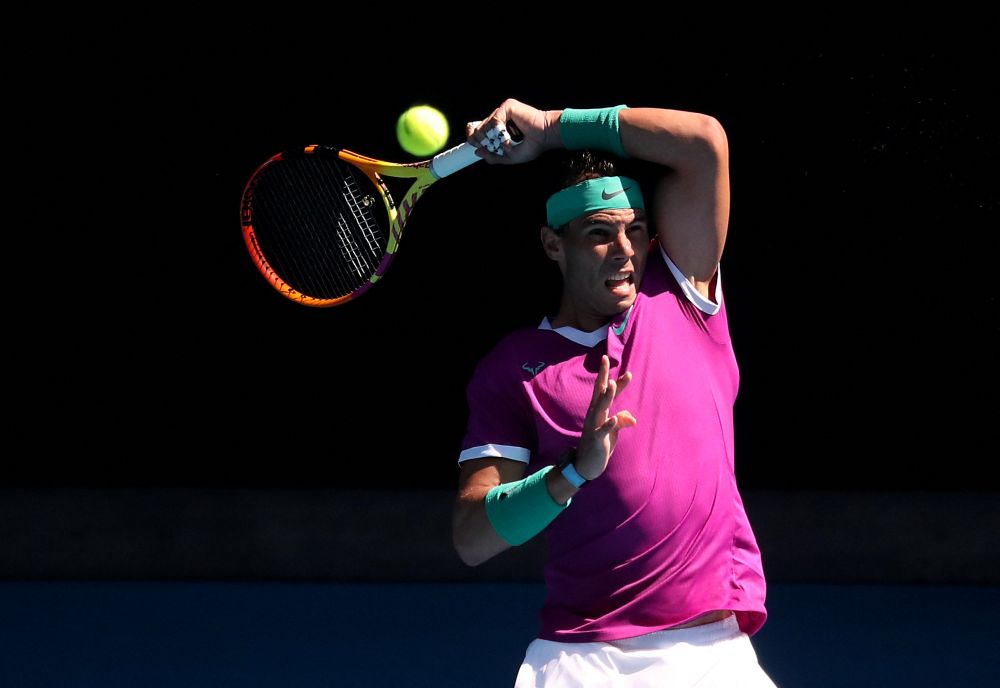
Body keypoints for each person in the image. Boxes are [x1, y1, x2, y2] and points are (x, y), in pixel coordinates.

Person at [451, 98, 776, 687]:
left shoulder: (683, 298)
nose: (625, 250)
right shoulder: (514, 370)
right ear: (554, 245)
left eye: (636, 232)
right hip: (582, 658)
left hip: (713, 651)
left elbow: (704, 141)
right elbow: (473, 538)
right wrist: (573, 471)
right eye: (600, 234)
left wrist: (551, 128)